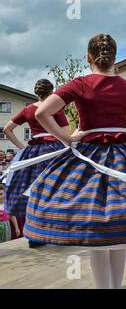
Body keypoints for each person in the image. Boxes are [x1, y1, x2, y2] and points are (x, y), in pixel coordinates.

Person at [23, 34, 126, 289]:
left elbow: (41, 112)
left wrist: (67, 137)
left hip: (87, 158)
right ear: (114, 58)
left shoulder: (81, 83)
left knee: (96, 230)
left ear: (89, 57)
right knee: (118, 230)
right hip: (122, 156)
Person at [2, 79, 70, 248]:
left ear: (36, 92)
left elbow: (7, 129)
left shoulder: (27, 109)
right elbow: (66, 134)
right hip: (54, 151)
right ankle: (57, 231)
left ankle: (34, 235)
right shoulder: (56, 109)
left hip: (32, 153)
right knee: (57, 190)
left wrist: (22, 149)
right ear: (52, 92)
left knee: (30, 191)